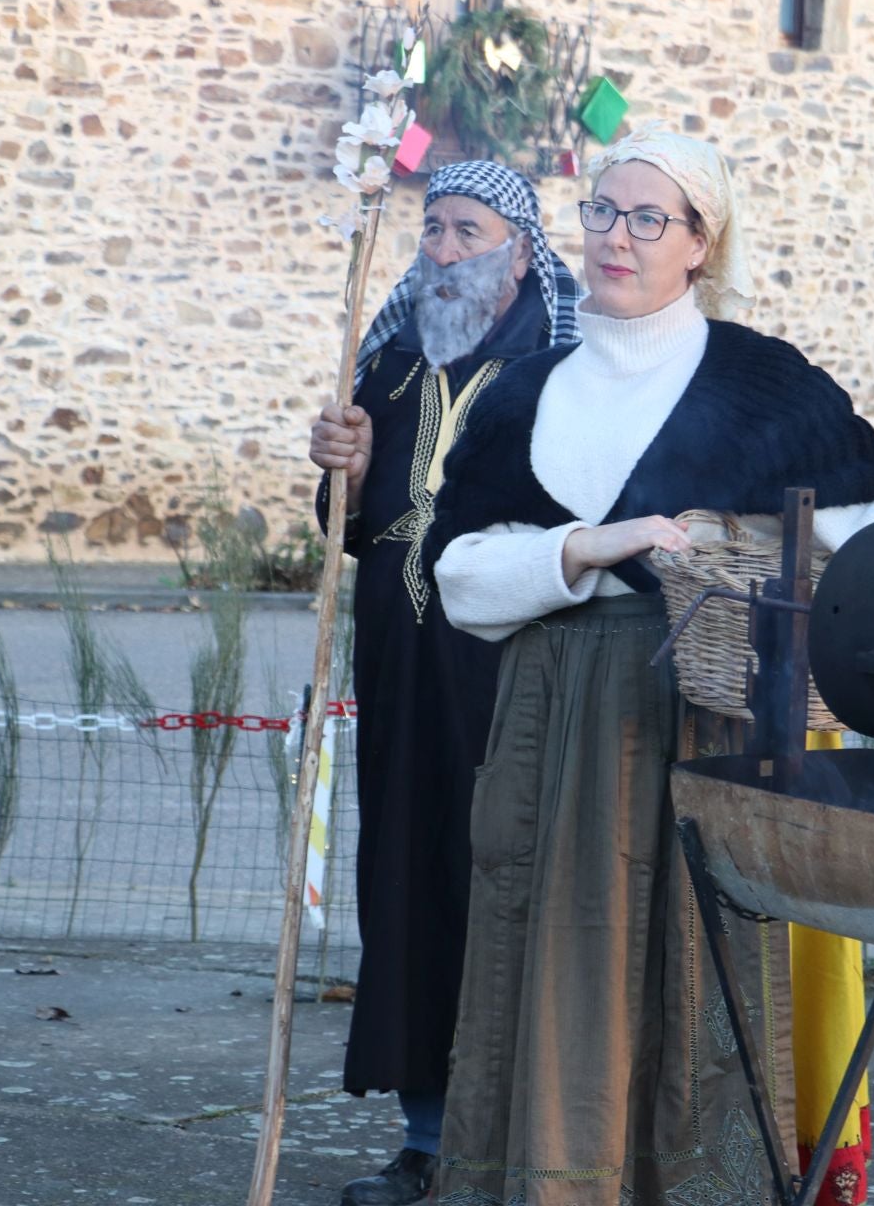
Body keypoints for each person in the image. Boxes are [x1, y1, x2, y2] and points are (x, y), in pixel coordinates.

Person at [426, 124, 874, 1206]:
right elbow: (462, 578)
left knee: (705, 969)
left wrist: (772, 559)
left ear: (701, 241)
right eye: (602, 212)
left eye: (648, 217)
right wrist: (583, 547)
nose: (617, 237)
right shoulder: (522, 392)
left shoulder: (764, 385)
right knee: (562, 966)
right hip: (557, 732)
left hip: (713, 721)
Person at [306, 160, 581, 1206]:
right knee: (410, 883)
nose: (444, 249)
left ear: (520, 253)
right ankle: (425, 1138)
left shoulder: (560, 374)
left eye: (468, 230)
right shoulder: (384, 367)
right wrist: (343, 465)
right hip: (402, 674)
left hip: (511, 678)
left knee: (508, 887)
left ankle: (522, 1131)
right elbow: (348, 531)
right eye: (433, 231)